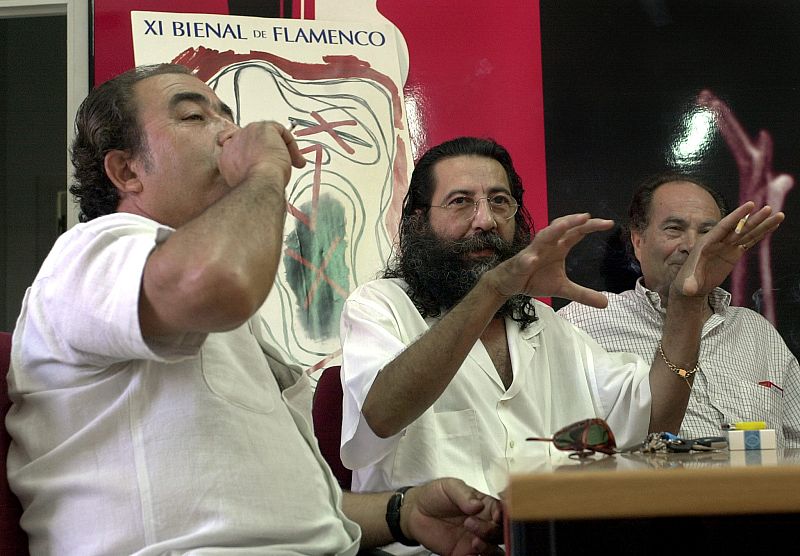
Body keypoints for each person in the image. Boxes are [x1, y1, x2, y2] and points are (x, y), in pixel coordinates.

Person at [4, 64, 503, 556]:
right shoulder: (91, 252)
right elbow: (216, 282)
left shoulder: (227, 316)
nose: (229, 132)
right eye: (195, 118)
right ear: (127, 170)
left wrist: (403, 513)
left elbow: (293, 512)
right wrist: (263, 173)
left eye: (227, 116)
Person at [338, 137, 784, 497]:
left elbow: (654, 421)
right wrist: (492, 290)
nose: (485, 220)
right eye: (460, 202)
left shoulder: (542, 324)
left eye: (499, 201)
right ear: (417, 221)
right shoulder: (379, 306)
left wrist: (687, 304)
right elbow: (380, 415)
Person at [558, 173, 800, 447]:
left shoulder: (756, 332)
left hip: (764, 490)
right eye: (674, 228)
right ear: (638, 241)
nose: (693, 246)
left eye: (708, 232)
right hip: (648, 490)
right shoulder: (584, 320)